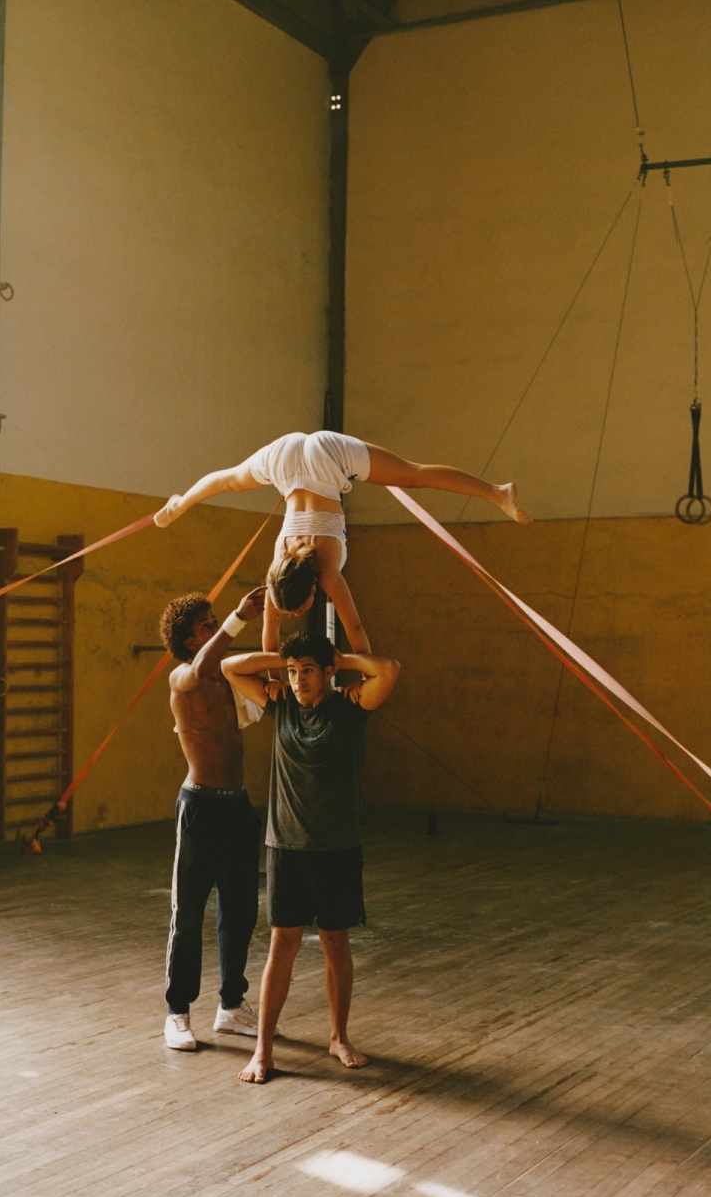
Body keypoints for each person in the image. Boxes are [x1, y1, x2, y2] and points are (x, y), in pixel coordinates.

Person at [154, 430, 531, 654]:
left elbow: (355, 630)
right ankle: (180, 503)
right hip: (289, 457)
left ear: (313, 587)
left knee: (411, 476)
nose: (298, 613)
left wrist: (366, 666)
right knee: (229, 481)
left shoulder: (328, 571)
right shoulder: (277, 572)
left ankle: (499, 493)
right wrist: (272, 679)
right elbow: (270, 633)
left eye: (299, 609)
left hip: (324, 459)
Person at [222, 631, 400, 1083]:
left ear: (327, 672)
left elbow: (389, 670)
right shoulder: (280, 703)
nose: (298, 680)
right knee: (282, 944)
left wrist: (342, 659)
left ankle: (339, 1036)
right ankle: (263, 1050)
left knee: (335, 943)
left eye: (307, 671)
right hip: (286, 846)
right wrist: (283, 659)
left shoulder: (351, 708)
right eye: (292, 672)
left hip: (337, 847)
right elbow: (229, 667)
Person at [158, 585, 268, 1052]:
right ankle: (177, 1013)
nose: (217, 627)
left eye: (216, 621)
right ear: (188, 640)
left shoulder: (223, 678)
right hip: (200, 806)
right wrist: (240, 618)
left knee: (240, 910)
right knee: (188, 914)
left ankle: (231, 1006)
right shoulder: (185, 677)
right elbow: (204, 665)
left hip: (237, 806)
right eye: (208, 625)